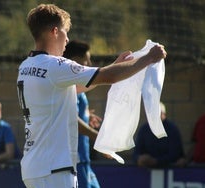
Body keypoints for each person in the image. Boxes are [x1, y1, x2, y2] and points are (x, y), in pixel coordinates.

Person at [17, 3, 166, 188]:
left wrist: (114, 65)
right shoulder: (54, 65)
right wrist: (148, 58)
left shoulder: (26, 66)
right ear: (54, 32)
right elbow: (107, 77)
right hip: (54, 169)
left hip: (34, 167)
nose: (67, 39)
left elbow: (76, 87)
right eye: (65, 32)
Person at [63, 40, 101, 188]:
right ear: (74, 61)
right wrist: (98, 137)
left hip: (84, 158)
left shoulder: (78, 87)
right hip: (74, 159)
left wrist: (86, 115)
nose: (90, 64)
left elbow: (74, 112)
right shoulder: (67, 86)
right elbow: (71, 120)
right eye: (86, 61)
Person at [133, 102, 187, 167]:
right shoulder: (144, 129)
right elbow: (136, 153)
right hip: (146, 172)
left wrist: (156, 161)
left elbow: (175, 154)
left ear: (163, 114)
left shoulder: (172, 130)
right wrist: (139, 158)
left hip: (169, 170)